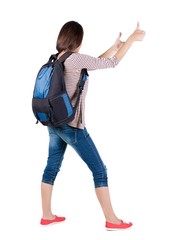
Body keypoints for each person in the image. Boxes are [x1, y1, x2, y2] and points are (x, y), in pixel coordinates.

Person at [40, 21, 145, 230]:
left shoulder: (57, 59)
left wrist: (114, 46)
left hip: (54, 123)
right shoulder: (75, 59)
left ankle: (46, 215)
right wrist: (132, 39)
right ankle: (112, 220)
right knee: (99, 170)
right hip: (73, 126)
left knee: (51, 167)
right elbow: (113, 63)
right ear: (77, 40)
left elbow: (95, 62)